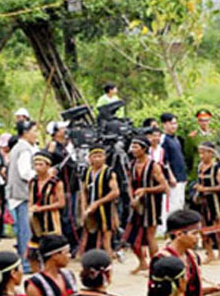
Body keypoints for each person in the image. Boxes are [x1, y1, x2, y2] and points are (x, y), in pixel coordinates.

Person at [125, 138, 169, 274]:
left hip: (151, 206)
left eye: (136, 147)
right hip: (137, 205)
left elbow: (164, 186)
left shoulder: (153, 166)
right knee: (131, 236)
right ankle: (142, 263)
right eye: (132, 147)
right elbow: (130, 184)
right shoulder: (132, 164)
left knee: (150, 236)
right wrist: (132, 198)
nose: (133, 150)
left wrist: (146, 190)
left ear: (144, 149)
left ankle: (155, 265)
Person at [8, 120, 38, 273]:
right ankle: (26, 263)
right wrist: (40, 174)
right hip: (22, 194)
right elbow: (25, 172)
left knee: (22, 229)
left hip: (16, 193)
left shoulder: (17, 147)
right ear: (26, 132)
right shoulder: (24, 149)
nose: (36, 134)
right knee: (25, 230)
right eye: (34, 131)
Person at [80, 147, 120, 257]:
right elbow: (83, 191)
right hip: (90, 208)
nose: (97, 159)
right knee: (88, 235)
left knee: (106, 238)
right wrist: (83, 208)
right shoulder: (87, 172)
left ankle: (108, 262)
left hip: (105, 208)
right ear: (89, 158)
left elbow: (115, 192)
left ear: (104, 158)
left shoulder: (109, 172)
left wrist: (98, 202)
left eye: (100, 156)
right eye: (94, 156)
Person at [28, 151, 65, 272]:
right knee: (33, 254)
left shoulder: (56, 182)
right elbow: (30, 200)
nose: (37, 168)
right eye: (36, 164)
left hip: (51, 222)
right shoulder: (33, 182)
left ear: (48, 165)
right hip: (36, 223)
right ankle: (38, 275)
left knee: (54, 254)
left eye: (41, 164)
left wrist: (42, 208)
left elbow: (61, 203)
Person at [195, 143, 220, 264]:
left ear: (211, 153)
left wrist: (206, 189)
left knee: (218, 228)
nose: (201, 156)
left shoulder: (216, 168)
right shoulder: (200, 167)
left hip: (215, 202)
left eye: (204, 153)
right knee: (204, 229)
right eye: (200, 153)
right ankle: (210, 254)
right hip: (204, 203)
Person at [160, 113, 189, 214]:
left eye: (175, 123)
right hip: (173, 177)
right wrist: (170, 176)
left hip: (181, 176)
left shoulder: (176, 139)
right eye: (171, 124)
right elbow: (164, 160)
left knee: (180, 203)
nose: (174, 126)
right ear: (164, 124)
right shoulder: (164, 140)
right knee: (173, 204)